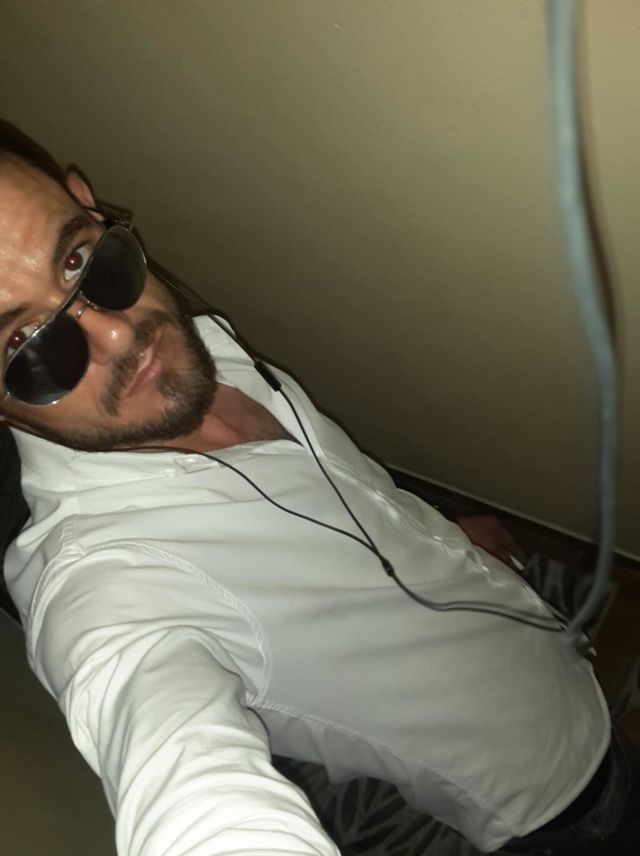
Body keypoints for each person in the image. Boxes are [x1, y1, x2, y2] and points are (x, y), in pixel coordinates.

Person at [0, 121, 635, 856]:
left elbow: (326, 491)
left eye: (80, 258)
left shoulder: (195, 351)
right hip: (556, 799)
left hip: (534, 637)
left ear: (86, 202)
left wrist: (436, 533)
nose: (118, 336)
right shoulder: (105, 589)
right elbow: (174, 766)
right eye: (22, 344)